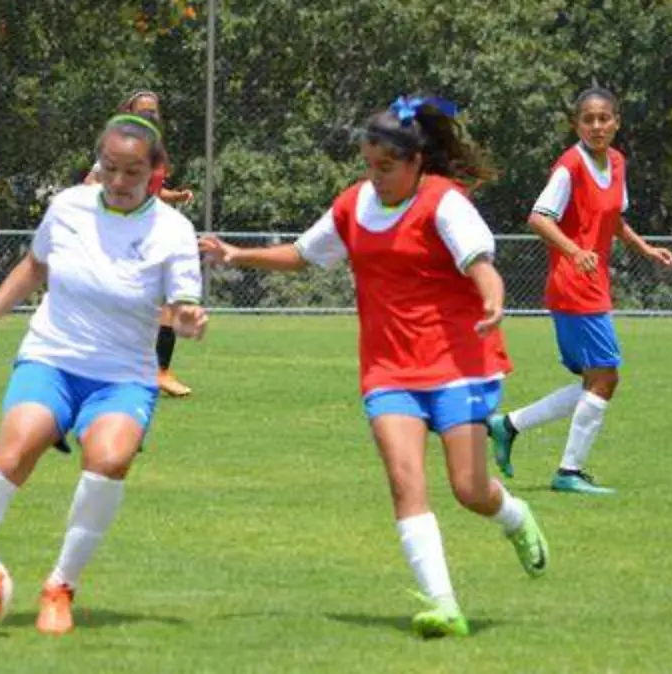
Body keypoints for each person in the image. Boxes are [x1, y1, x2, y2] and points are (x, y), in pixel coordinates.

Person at [199, 97, 547, 638]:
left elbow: (481, 265)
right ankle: (444, 605)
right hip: (388, 371)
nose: (375, 177)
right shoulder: (354, 205)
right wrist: (236, 255)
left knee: (469, 488)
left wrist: (494, 299)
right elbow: (304, 254)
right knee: (405, 483)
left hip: (458, 363)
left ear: (416, 162)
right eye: (369, 165)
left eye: (386, 167)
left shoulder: (444, 202)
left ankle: (515, 517)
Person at [0, 114, 207, 635]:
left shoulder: (173, 230)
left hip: (123, 375)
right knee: (13, 454)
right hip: (52, 357)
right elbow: (34, 267)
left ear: (156, 170)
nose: (119, 180)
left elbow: (182, 303)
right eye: (110, 167)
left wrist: (188, 318)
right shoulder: (68, 207)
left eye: (133, 171)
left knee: (109, 459)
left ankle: (61, 586)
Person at [487, 87, 672, 495]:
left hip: (593, 284)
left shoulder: (617, 162)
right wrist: (575, 251)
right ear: (576, 125)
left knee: (596, 380)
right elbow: (539, 218)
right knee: (605, 377)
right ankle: (568, 472)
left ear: (616, 122)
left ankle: (509, 425)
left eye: (604, 118)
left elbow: (613, 219)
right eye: (588, 119)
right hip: (573, 286)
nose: (596, 126)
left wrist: (645, 249)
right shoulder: (570, 166)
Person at [87, 90, 195, 397]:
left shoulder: (155, 150)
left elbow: (152, 191)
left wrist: (175, 196)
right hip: (121, 231)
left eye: (154, 110)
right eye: (143, 110)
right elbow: (91, 184)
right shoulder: (120, 147)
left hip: (151, 231)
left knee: (167, 300)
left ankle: (160, 371)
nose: (150, 114)